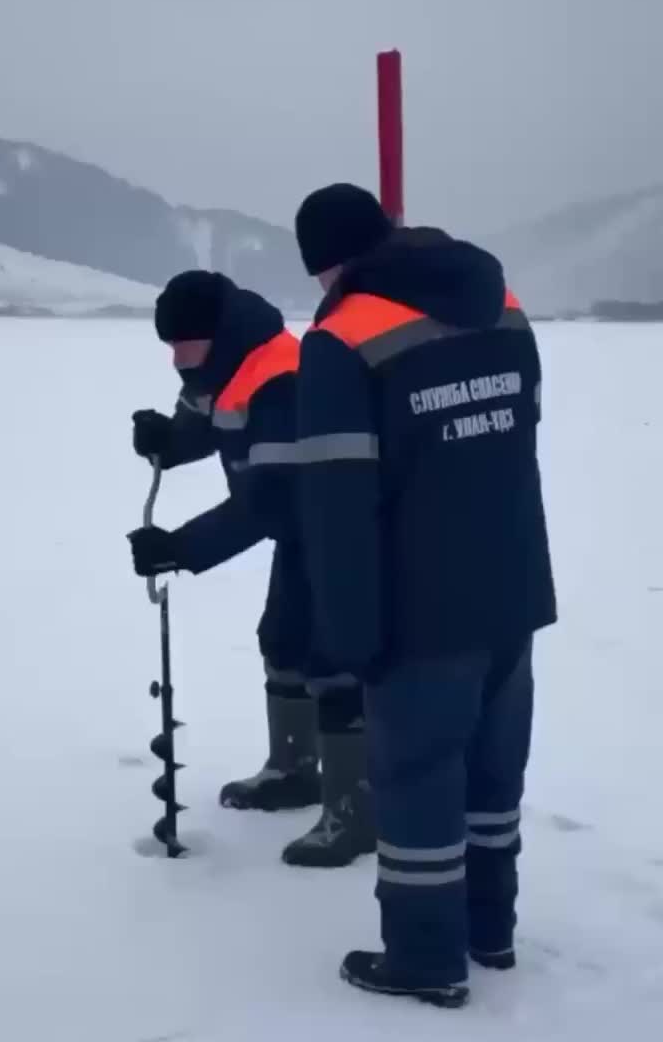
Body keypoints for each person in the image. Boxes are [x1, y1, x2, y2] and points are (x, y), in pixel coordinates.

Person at [291, 184, 557, 1006]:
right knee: (492, 774)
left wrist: (348, 633)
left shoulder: (341, 338)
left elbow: (337, 504)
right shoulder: (502, 305)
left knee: (417, 779)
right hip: (513, 583)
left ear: (330, 262)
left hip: (421, 602)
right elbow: (525, 427)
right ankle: (490, 930)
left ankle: (425, 958)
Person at [126, 269, 376, 868]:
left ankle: (355, 812)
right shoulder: (217, 366)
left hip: (339, 529)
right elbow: (205, 424)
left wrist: (180, 548)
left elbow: (269, 503)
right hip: (300, 530)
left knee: (332, 659)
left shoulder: (281, 376)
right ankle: (293, 770)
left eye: (181, 345)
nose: (175, 360)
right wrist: (167, 441)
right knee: (283, 640)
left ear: (212, 334)